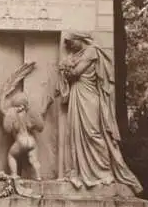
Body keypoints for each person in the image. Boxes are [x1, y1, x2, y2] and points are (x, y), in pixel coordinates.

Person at [58, 32, 142, 194]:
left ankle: (104, 171)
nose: (69, 46)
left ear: (80, 39)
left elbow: (75, 73)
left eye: (71, 42)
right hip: (78, 95)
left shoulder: (91, 51)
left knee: (93, 133)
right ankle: (81, 171)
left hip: (89, 97)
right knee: (76, 133)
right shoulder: (78, 54)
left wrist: (67, 68)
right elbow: (71, 75)